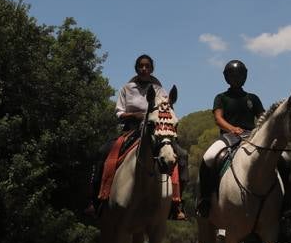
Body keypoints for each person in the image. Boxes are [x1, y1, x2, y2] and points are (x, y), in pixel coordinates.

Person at [88, 54, 188, 220]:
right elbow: (119, 112)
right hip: (131, 130)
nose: (144, 69)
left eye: (147, 66)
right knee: (103, 152)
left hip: (155, 131)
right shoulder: (127, 89)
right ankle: (95, 200)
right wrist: (134, 115)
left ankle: (177, 203)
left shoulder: (159, 90)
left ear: (152, 69)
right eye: (141, 66)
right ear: (136, 68)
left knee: (182, 155)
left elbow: (166, 110)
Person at [197, 59, 265, 218]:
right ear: (227, 77)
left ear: (245, 76)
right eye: (233, 75)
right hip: (228, 137)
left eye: (240, 75)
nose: (236, 78)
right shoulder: (221, 97)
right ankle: (206, 199)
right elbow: (218, 119)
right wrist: (233, 129)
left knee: (283, 158)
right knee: (209, 157)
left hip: (251, 137)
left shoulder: (253, 98)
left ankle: (286, 200)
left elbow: (263, 118)